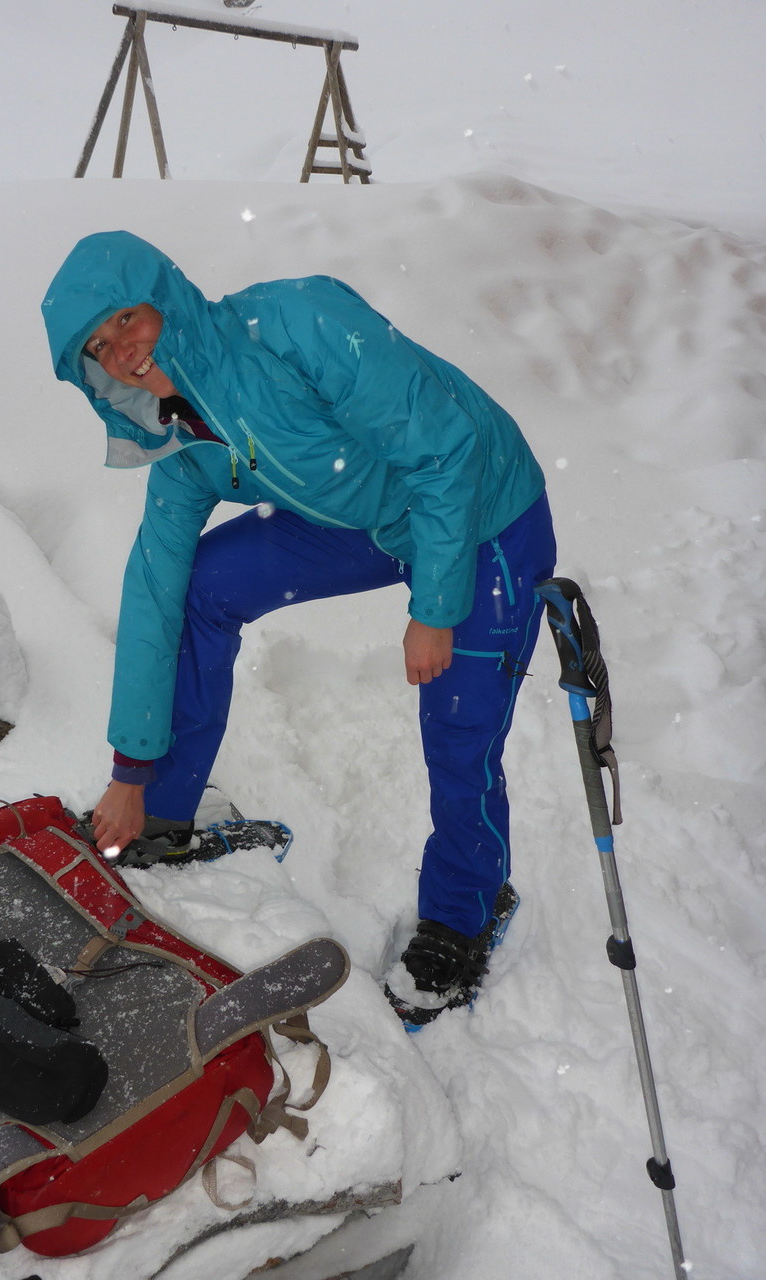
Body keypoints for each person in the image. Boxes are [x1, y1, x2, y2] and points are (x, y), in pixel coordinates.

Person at [41, 231, 556, 1025]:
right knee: (200, 587)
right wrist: (130, 772)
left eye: (126, 322)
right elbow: (153, 588)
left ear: (163, 298)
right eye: (99, 349)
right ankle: (166, 814)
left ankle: (464, 908)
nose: (122, 352)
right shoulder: (176, 439)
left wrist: (434, 608)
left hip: (481, 510)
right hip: (359, 514)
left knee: (460, 726)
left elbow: (445, 449)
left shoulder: (299, 324)